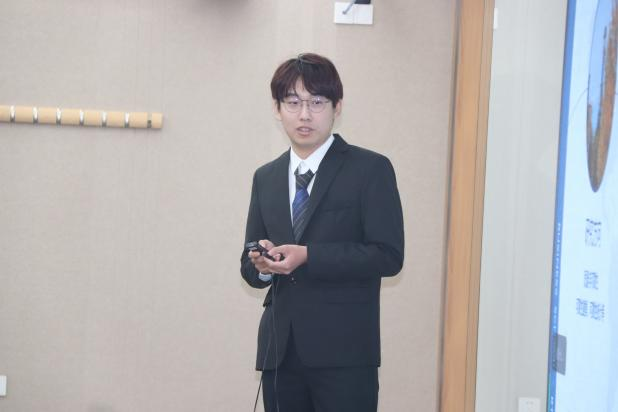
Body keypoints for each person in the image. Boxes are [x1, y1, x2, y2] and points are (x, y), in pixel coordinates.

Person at [240, 53, 404, 412]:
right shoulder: (265, 177)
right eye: (293, 102)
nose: (304, 114)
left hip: (345, 353)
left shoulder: (370, 169)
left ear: (337, 107)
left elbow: (388, 255)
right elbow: (249, 264)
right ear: (277, 109)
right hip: (280, 353)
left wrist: (308, 256)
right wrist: (261, 264)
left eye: (316, 102)